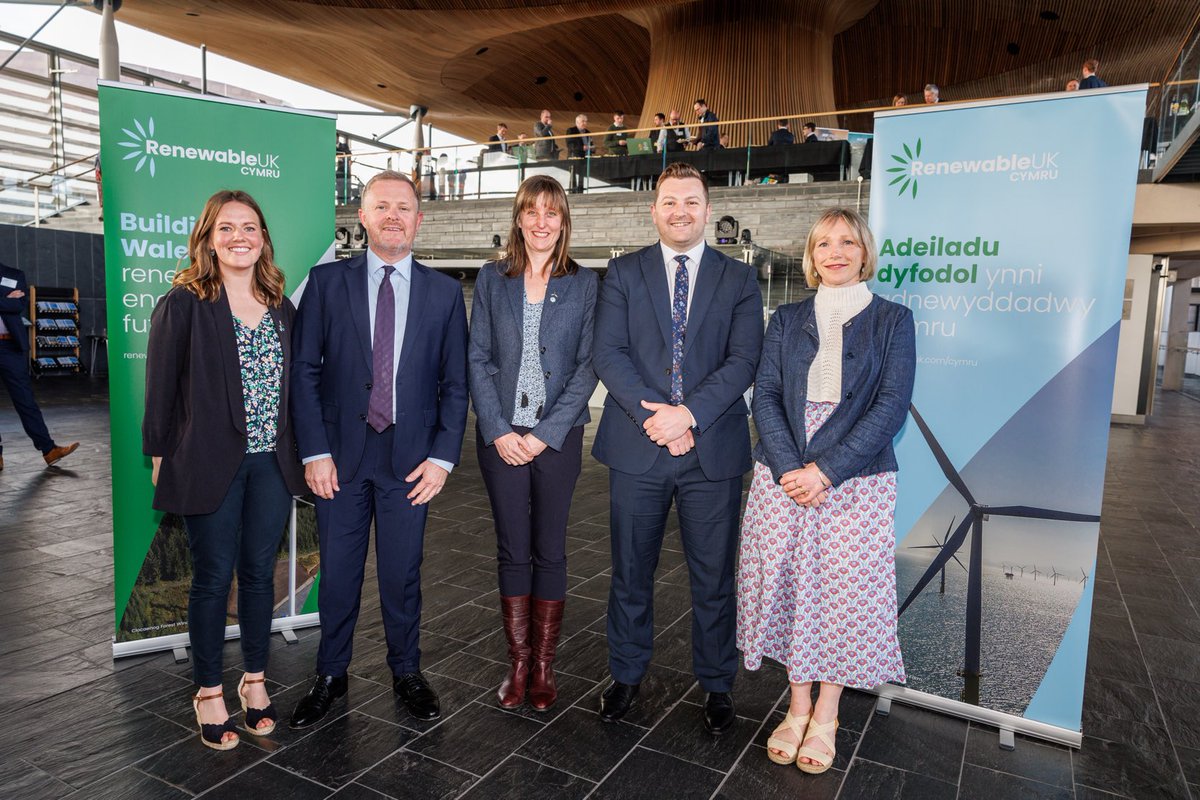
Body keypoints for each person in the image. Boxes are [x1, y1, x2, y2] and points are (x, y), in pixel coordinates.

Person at [737, 207, 914, 774]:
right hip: (781, 475)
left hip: (855, 479)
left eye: (846, 242)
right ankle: (795, 707)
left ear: (864, 252)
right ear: (811, 258)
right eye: (823, 245)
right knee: (788, 585)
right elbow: (764, 393)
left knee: (841, 595)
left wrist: (826, 472)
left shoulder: (894, 320)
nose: (835, 253)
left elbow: (890, 406)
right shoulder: (786, 319)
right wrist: (793, 468)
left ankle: (828, 714)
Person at [288, 170, 468, 729]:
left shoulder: (443, 294)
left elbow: (455, 385)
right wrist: (314, 451)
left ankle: (406, 671)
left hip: (411, 461)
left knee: (403, 572)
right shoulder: (324, 283)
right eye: (381, 206)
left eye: (404, 208)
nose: (394, 216)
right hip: (339, 458)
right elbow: (304, 371)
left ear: (419, 219)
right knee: (338, 573)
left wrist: (442, 459)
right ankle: (330, 674)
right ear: (361, 217)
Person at [592, 161, 764, 735]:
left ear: (707, 210)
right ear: (654, 209)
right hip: (638, 448)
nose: (680, 211)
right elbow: (609, 354)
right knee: (630, 573)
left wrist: (688, 415)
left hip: (711, 451)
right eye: (670, 201)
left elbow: (743, 360)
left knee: (714, 577)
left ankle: (717, 684)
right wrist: (660, 420)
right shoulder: (621, 273)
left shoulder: (739, 279)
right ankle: (626, 675)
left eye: (691, 201)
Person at [143, 189, 307, 750]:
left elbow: (296, 390)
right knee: (213, 579)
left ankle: (255, 682)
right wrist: (161, 457)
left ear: (264, 240)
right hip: (206, 464)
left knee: (259, 576)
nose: (240, 237)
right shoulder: (185, 301)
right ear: (208, 238)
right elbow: (160, 389)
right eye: (227, 228)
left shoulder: (282, 306)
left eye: (251, 228)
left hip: (270, 464)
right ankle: (208, 690)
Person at [468, 175, 598, 711]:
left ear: (564, 221)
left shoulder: (585, 282)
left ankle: (544, 665)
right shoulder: (492, 278)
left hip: (559, 438)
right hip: (500, 436)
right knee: (510, 547)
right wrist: (498, 428)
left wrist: (545, 434)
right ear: (518, 219)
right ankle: (517, 662)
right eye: (532, 212)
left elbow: (588, 366)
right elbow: (476, 356)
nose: (541, 222)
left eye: (552, 212)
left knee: (549, 547)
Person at [0, 260, 79, 472]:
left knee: (25, 400)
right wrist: (4, 299)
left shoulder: (14, 274)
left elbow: (18, 305)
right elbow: (9, 304)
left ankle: (49, 450)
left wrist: (9, 302)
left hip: (10, 345)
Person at [565, 114, 593, 194]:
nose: (585, 123)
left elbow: (590, 143)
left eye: (586, 121)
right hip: (574, 157)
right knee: (573, 176)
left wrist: (592, 148)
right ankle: (572, 192)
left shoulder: (588, 132)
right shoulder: (571, 130)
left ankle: (581, 192)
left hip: (585, 158)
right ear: (577, 122)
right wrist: (581, 147)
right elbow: (570, 144)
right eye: (583, 121)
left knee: (582, 175)